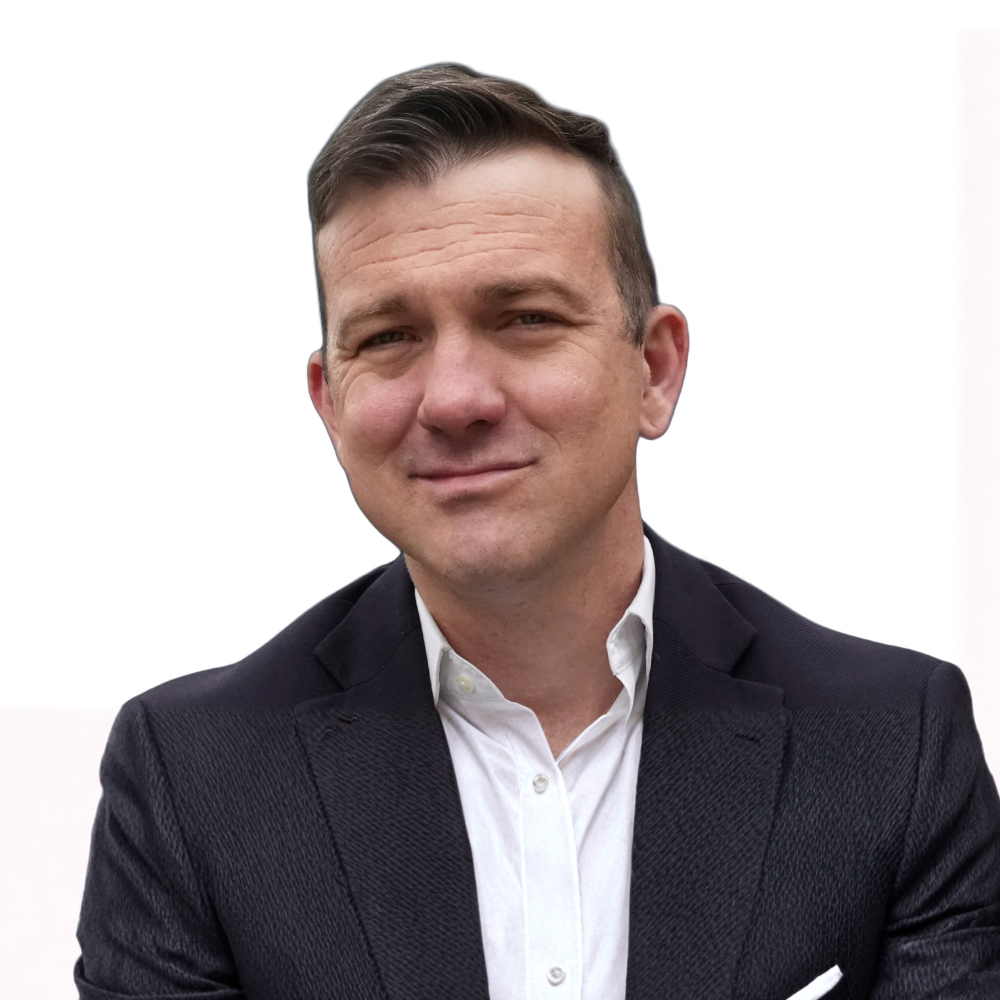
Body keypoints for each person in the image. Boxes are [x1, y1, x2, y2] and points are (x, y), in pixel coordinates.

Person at [76, 64, 1000, 1000]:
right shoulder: (192, 779)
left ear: (655, 369)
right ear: (331, 401)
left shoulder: (894, 746)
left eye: (524, 318)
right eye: (389, 338)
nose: (456, 399)